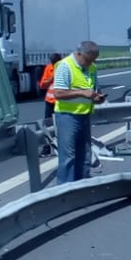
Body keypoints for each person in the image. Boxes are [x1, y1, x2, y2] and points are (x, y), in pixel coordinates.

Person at [51, 40, 105, 184]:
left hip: (84, 114)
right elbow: (58, 93)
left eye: (93, 60)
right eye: (88, 59)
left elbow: (94, 89)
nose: (90, 63)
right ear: (79, 54)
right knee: (68, 156)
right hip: (67, 116)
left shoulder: (92, 67)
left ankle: (82, 186)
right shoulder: (65, 66)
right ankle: (65, 189)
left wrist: (97, 98)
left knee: (85, 154)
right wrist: (82, 93)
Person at [39, 52, 63, 120]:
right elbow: (43, 85)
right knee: (48, 121)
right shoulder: (49, 68)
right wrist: (51, 78)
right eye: (52, 63)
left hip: (61, 101)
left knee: (60, 121)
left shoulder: (65, 69)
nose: (54, 65)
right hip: (50, 101)